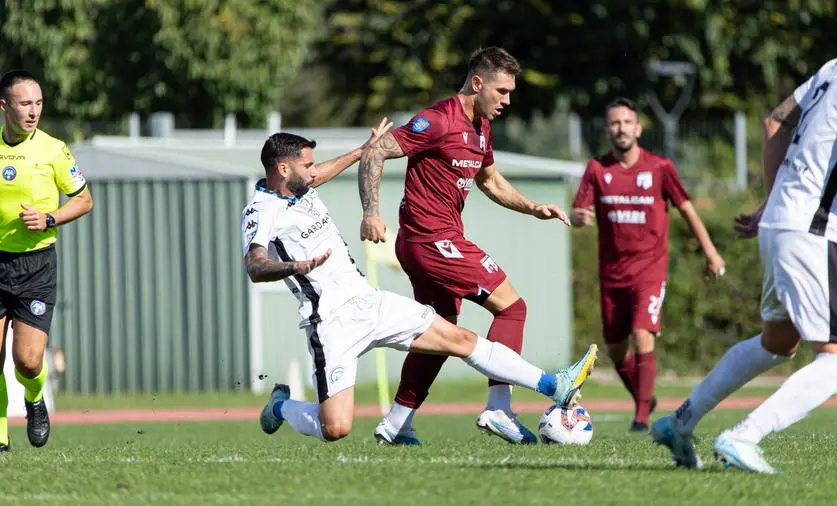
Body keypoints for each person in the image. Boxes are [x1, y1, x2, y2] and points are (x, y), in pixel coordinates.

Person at [652, 1, 837, 473]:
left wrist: (772, 199)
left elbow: (775, 120)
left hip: (783, 221)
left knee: (778, 342)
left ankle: (680, 422)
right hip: (814, 229)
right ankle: (743, 437)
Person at [245, 132, 597, 443]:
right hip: (329, 322)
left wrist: (361, 152)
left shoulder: (300, 186)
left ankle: (554, 384)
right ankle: (282, 406)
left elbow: (322, 172)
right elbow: (255, 266)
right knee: (335, 428)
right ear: (283, 169)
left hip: (369, 302)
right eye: (307, 165)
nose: (314, 170)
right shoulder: (260, 212)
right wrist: (294, 266)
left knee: (459, 340)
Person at [357, 47, 571, 446]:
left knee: (440, 332)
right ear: (477, 83)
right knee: (512, 306)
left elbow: (491, 182)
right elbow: (376, 149)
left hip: (434, 242)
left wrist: (532, 208)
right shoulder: (437, 120)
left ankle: (396, 422)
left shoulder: (481, 129)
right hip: (431, 240)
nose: (507, 101)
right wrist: (371, 211)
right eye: (502, 91)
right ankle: (499, 407)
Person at [570, 97, 725, 433]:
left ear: (638, 128)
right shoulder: (597, 169)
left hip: (649, 270)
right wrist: (578, 218)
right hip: (611, 274)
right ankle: (645, 396)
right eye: (614, 123)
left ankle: (641, 418)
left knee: (643, 335)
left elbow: (687, 210)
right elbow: (578, 214)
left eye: (627, 122)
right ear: (607, 129)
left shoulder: (659, 168)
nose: (621, 128)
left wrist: (711, 252)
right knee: (615, 349)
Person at [0, 69, 93, 451]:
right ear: (4, 106)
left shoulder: (53, 149)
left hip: (36, 266)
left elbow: (84, 199)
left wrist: (49, 218)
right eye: (25, 103)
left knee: (27, 361)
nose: (34, 111)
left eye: (38, 103)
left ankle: (34, 401)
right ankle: (0, 435)